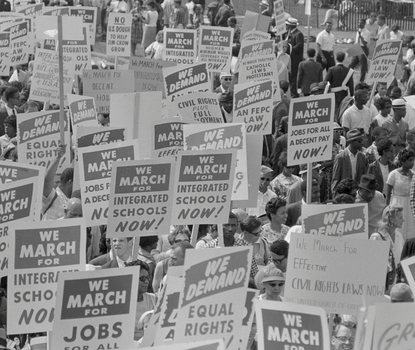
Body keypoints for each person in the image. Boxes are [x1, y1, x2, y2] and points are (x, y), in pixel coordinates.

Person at [370, 205, 405, 290]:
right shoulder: (376, 237)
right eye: (400, 218)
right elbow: (370, 263)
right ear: (391, 219)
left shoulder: (399, 236)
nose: (403, 220)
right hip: (381, 286)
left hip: (396, 284)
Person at [125, 260, 156, 341]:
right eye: (142, 278)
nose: (146, 281)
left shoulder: (153, 299)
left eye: (148, 278)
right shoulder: (123, 302)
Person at [332, 129, 368, 195]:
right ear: (351, 142)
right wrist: (336, 197)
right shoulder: (340, 157)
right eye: (359, 141)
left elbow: (364, 178)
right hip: (344, 195)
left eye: (362, 140)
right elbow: (335, 179)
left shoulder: (363, 157)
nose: (362, 143)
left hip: (358, 195)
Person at [324, 52, 354, 119]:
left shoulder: (331, 69)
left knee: (334, 110)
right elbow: (351, 84)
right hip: (344, 94)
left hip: (333, 94)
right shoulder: (348, 70)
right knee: (343, 110)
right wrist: (352, 95)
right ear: (343, 59)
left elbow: (326, 82)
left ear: (336, 58)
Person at [285, 18, 304, 97]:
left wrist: (289, 49)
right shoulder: (289, 34)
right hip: (290, 58)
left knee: (293, 76)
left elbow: (299, 46)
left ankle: (294, 93)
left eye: (287, 25)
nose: (285, 26)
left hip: (295, 59)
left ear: (290, 26)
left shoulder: (298, 34)